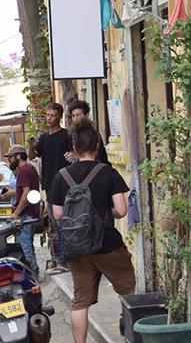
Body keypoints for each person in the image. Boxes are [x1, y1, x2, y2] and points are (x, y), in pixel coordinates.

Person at [49, 118, 134, 343]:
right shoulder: (108, 173)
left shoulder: (62, 176)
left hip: (77, 248)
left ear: (74, 149)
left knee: (80, 301)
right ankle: (130, 336)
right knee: (128, 293)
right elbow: (121, 210)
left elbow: (58, 215)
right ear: (97, 145)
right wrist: (107, 213)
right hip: (108, 245)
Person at [27, 102, 72, 274]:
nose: (49, 118)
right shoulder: (44, 138)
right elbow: (33, 155)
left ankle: (68, 260)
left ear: (60, 117)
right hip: (50, 186)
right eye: (47, 115)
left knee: (68, 222)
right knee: (58, 224)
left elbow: (74, 153)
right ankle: (64, 260)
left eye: (52, 115)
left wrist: (72, 157)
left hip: (66, 184)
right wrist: (32, 144)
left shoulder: (66, 135)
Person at [4, 145, 41, 279]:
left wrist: (17, 213)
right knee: (28, 245)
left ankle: (31, 276)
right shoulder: (29, 168)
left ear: (18, 156)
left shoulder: (24, 171)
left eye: (11, 157)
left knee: (24, 247)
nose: (9, 160)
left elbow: (26, 193)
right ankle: (34, 272)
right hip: (31, 213)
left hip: (26, 214)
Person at [66, 100, 112, 167]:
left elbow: (101, 157)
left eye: (78, 115)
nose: (76, 118)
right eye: (73, 116)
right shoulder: (70, 135)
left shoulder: (94, 134)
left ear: (86, 116)